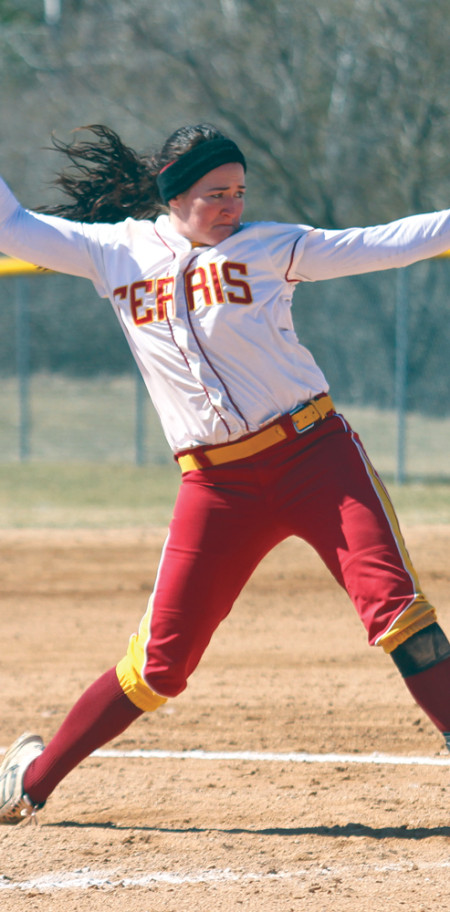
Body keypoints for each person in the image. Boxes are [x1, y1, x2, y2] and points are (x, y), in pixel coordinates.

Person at [1, 123, 450, 826]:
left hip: (314, 459)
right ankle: (30, 780)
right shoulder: (113, 252)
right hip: (215, 488)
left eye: (240, 192)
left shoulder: (273, 247)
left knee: (401, 615)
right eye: (216, 194)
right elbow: (13, 227)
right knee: (158, 669)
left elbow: (386, 241)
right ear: (173, 195)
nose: (233, 206)